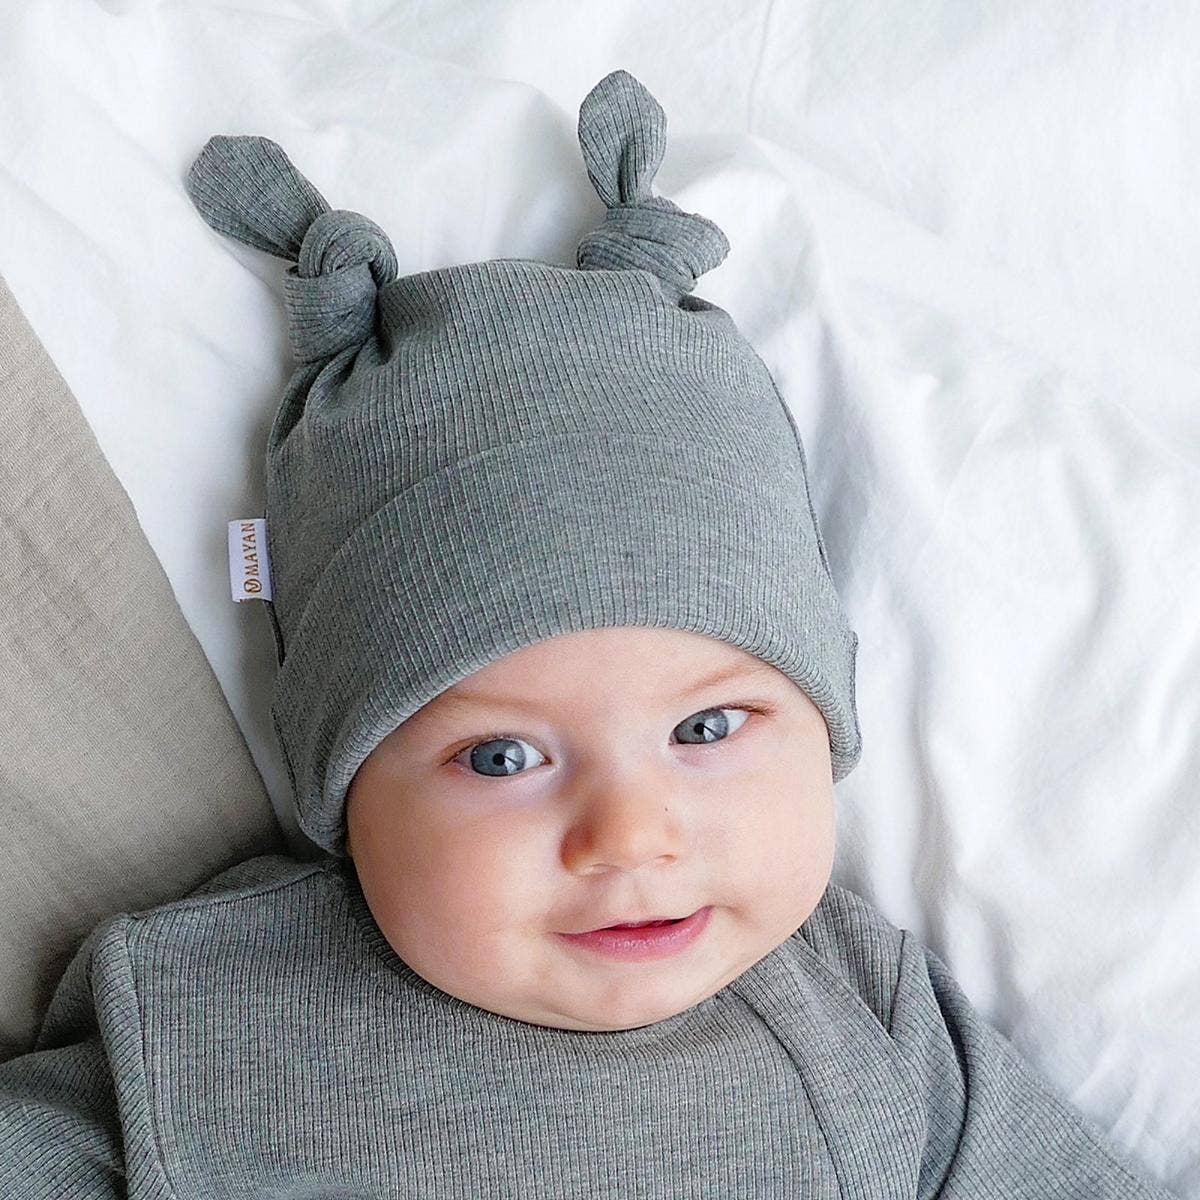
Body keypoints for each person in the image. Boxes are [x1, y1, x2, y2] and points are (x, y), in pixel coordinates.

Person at [0, 69, 1178, 1198]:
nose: (630, 835)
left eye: (708, 727)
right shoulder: (207, 1012)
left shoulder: (868, 1023)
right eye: (502, 756)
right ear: (340, 787)